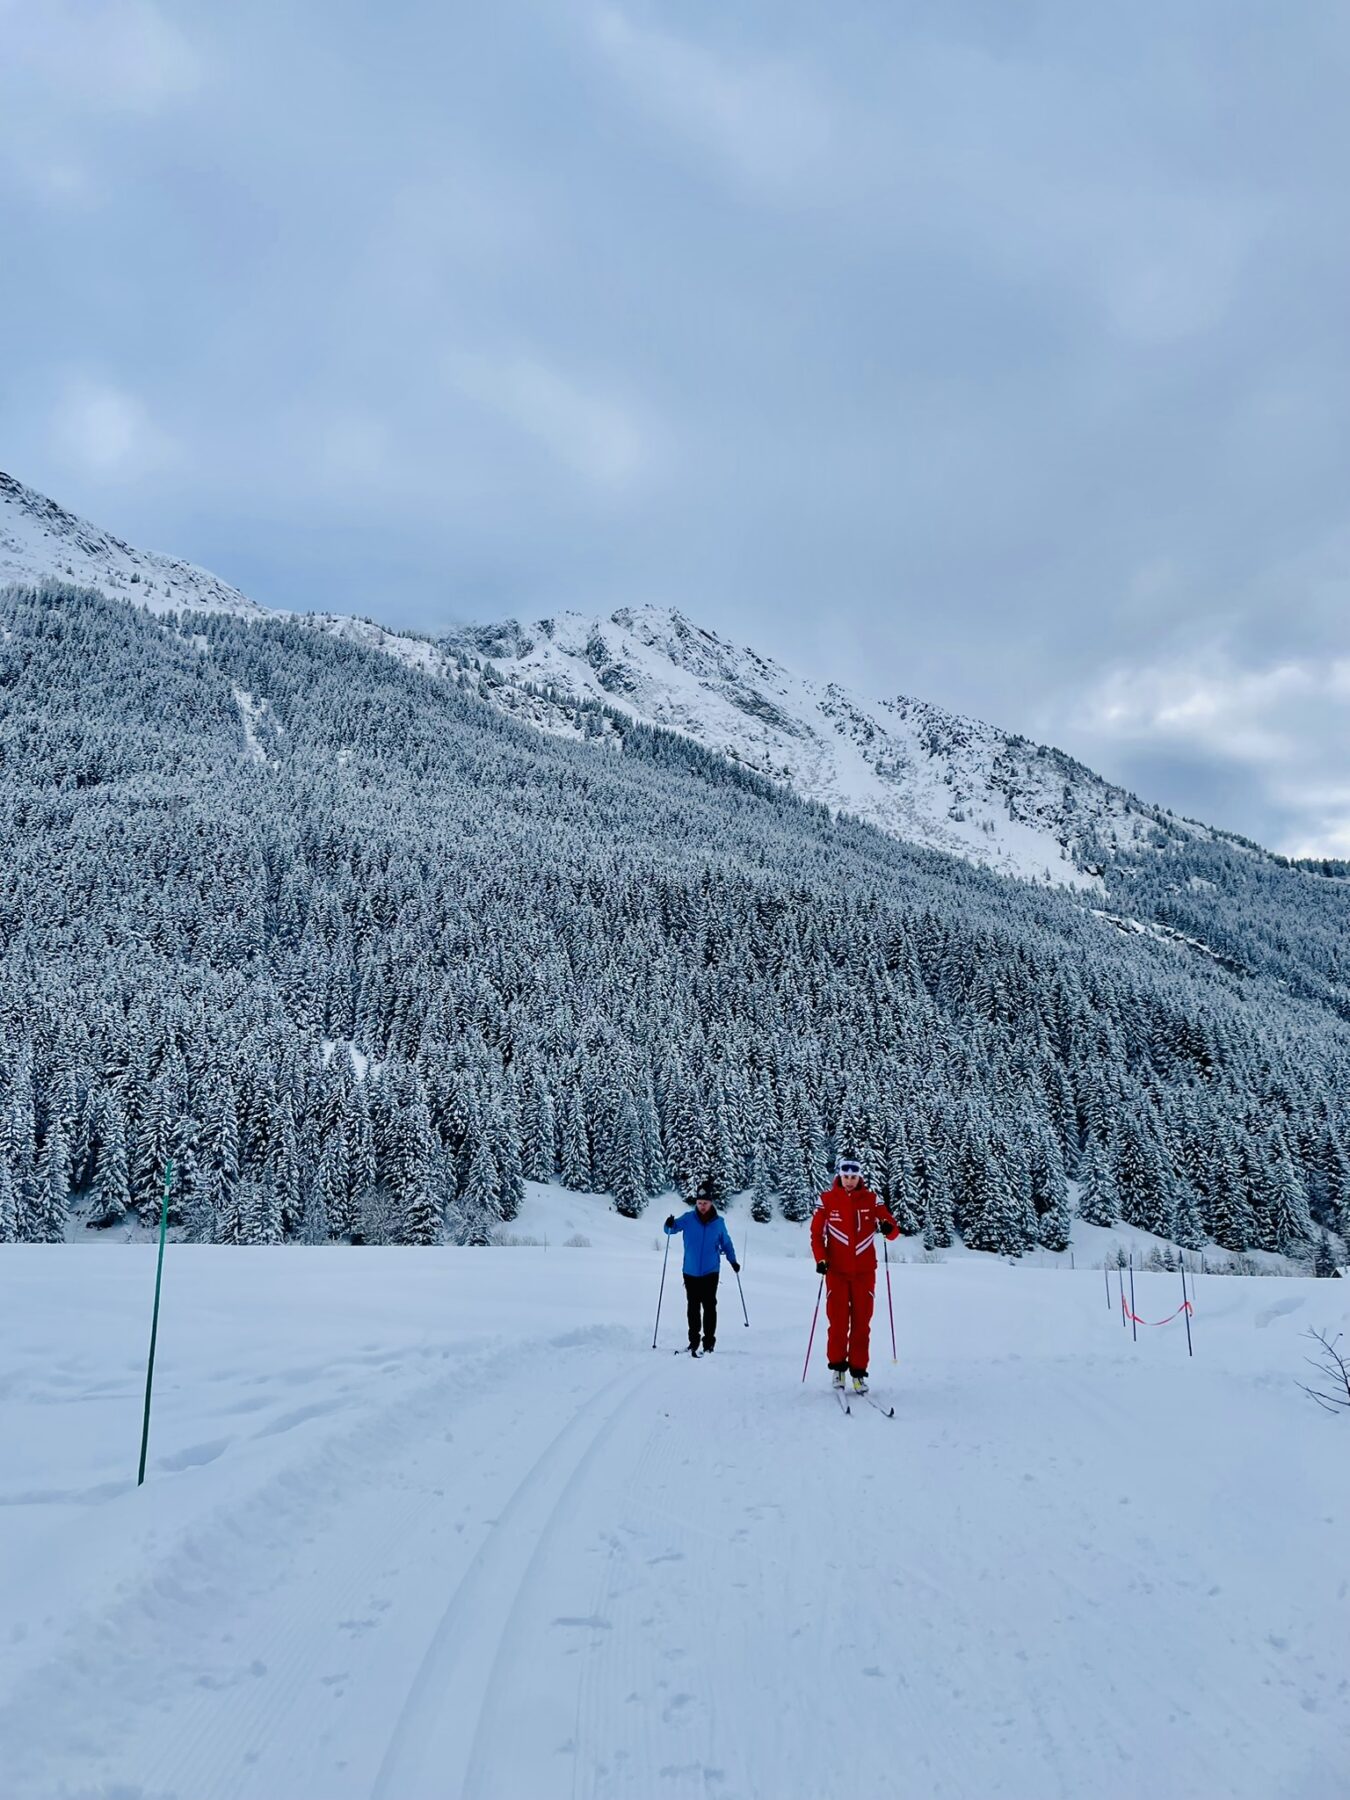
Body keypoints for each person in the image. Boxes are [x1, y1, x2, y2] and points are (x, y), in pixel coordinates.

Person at [810, 1153, 900, 1394]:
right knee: (838, 1322)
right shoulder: (827, 1200)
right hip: (836, 1271)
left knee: (862, 1324)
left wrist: (889, 1228)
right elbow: (817, 1234)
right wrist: (821, 1259)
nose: (849, 1180)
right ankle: (838, 1369)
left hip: (864, 1272)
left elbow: (892, 1229)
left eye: (853, 1176)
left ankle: (859, 1373)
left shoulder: (872, 1199)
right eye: (845, 1176)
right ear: (839, 1175)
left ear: (860, 1176)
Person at [664, 1183, 740, 1355]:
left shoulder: (719, 1223)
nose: (702, 1206)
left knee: (709, 1306)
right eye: (699, 1203)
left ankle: (709, 1344)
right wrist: (668, 1223)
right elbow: (670, 1229)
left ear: (711, 1203)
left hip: (710, 1271)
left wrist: (733, 1260)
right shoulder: (688, 1218)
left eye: (705, 1203)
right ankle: (693, 1342)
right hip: (690, 1271)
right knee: (693, 1308)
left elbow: (726, 1244)